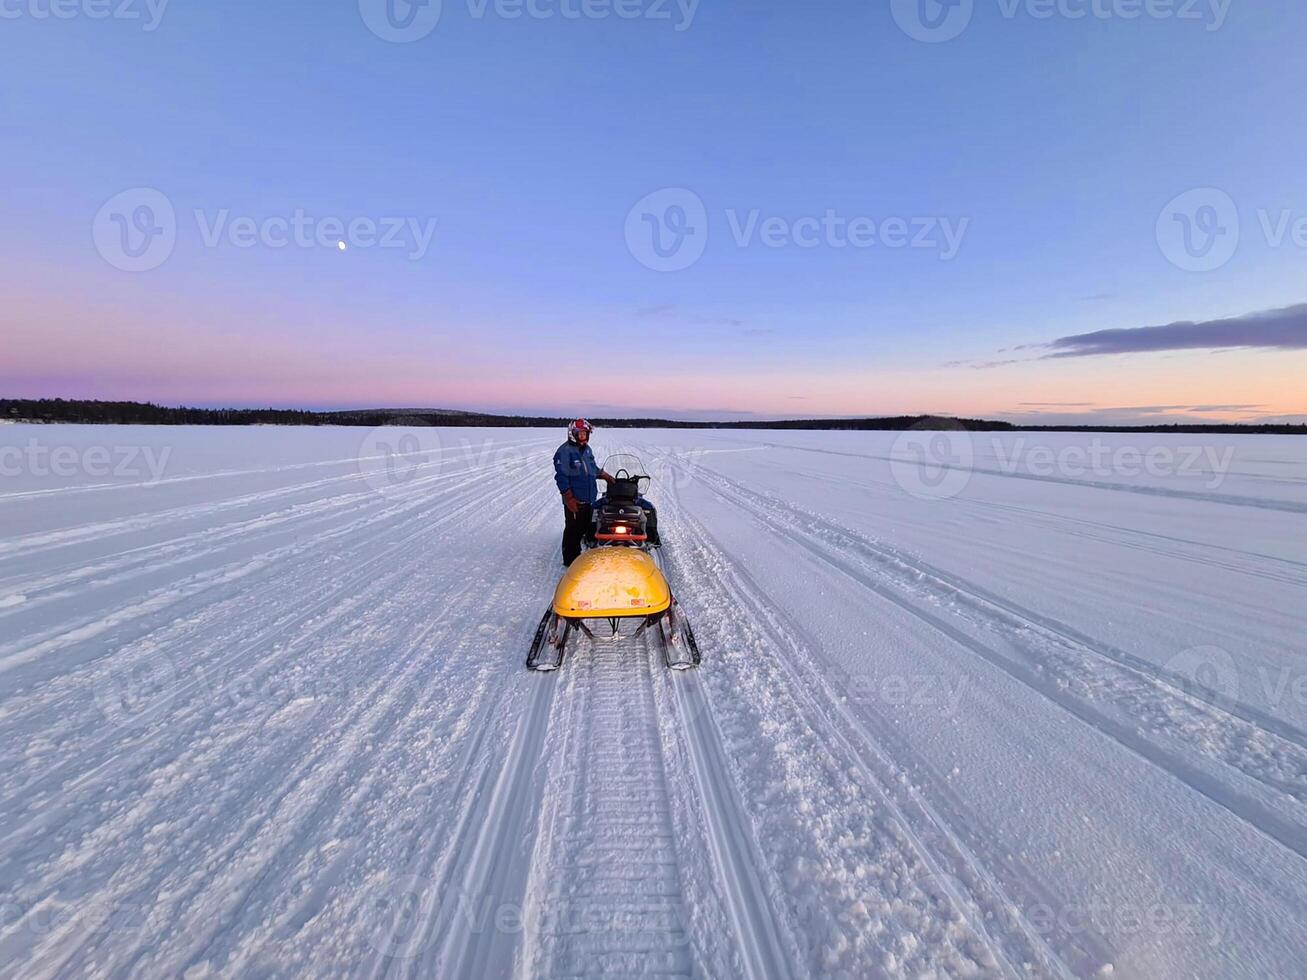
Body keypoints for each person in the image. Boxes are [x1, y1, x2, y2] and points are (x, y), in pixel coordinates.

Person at [553, 418, 612, 566]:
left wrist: (605, 475)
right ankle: (570, 562)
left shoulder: (587, 450)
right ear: (572, 434)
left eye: (585, 434)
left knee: (587, 527)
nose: (583, 437)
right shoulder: (564, 452)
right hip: (575, 501)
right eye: (580, 435)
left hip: (589, 499)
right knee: (573, 532)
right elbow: (561, 477)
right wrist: (568, 498)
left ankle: (587, 553)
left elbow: (592, 468)